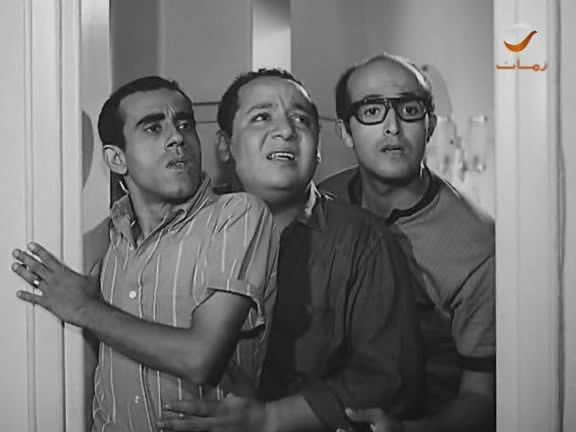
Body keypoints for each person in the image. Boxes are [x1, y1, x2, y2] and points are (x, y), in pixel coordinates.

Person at [157, 68, 425, 432]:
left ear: (317, 148)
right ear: (225, 144)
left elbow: (387, 377)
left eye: (300, 120)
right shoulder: (184, 229)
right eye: (261, 117)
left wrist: (273, 418)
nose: (285, 131)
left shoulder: (364, 241)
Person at [10, 76, 279, 432]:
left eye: (184, 124)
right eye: (153, 128)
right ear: (116, 158)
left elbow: (201, 358)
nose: (177, 137)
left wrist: (86, 309)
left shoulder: (237, 216)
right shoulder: (107, 239)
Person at [319, 53, 496, 431]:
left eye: (409, 110)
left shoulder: (476, 244)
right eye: (371, 111)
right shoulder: (324, 202)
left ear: (429, 125)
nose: (392, 127)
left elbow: (482, 398)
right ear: (345, 131)